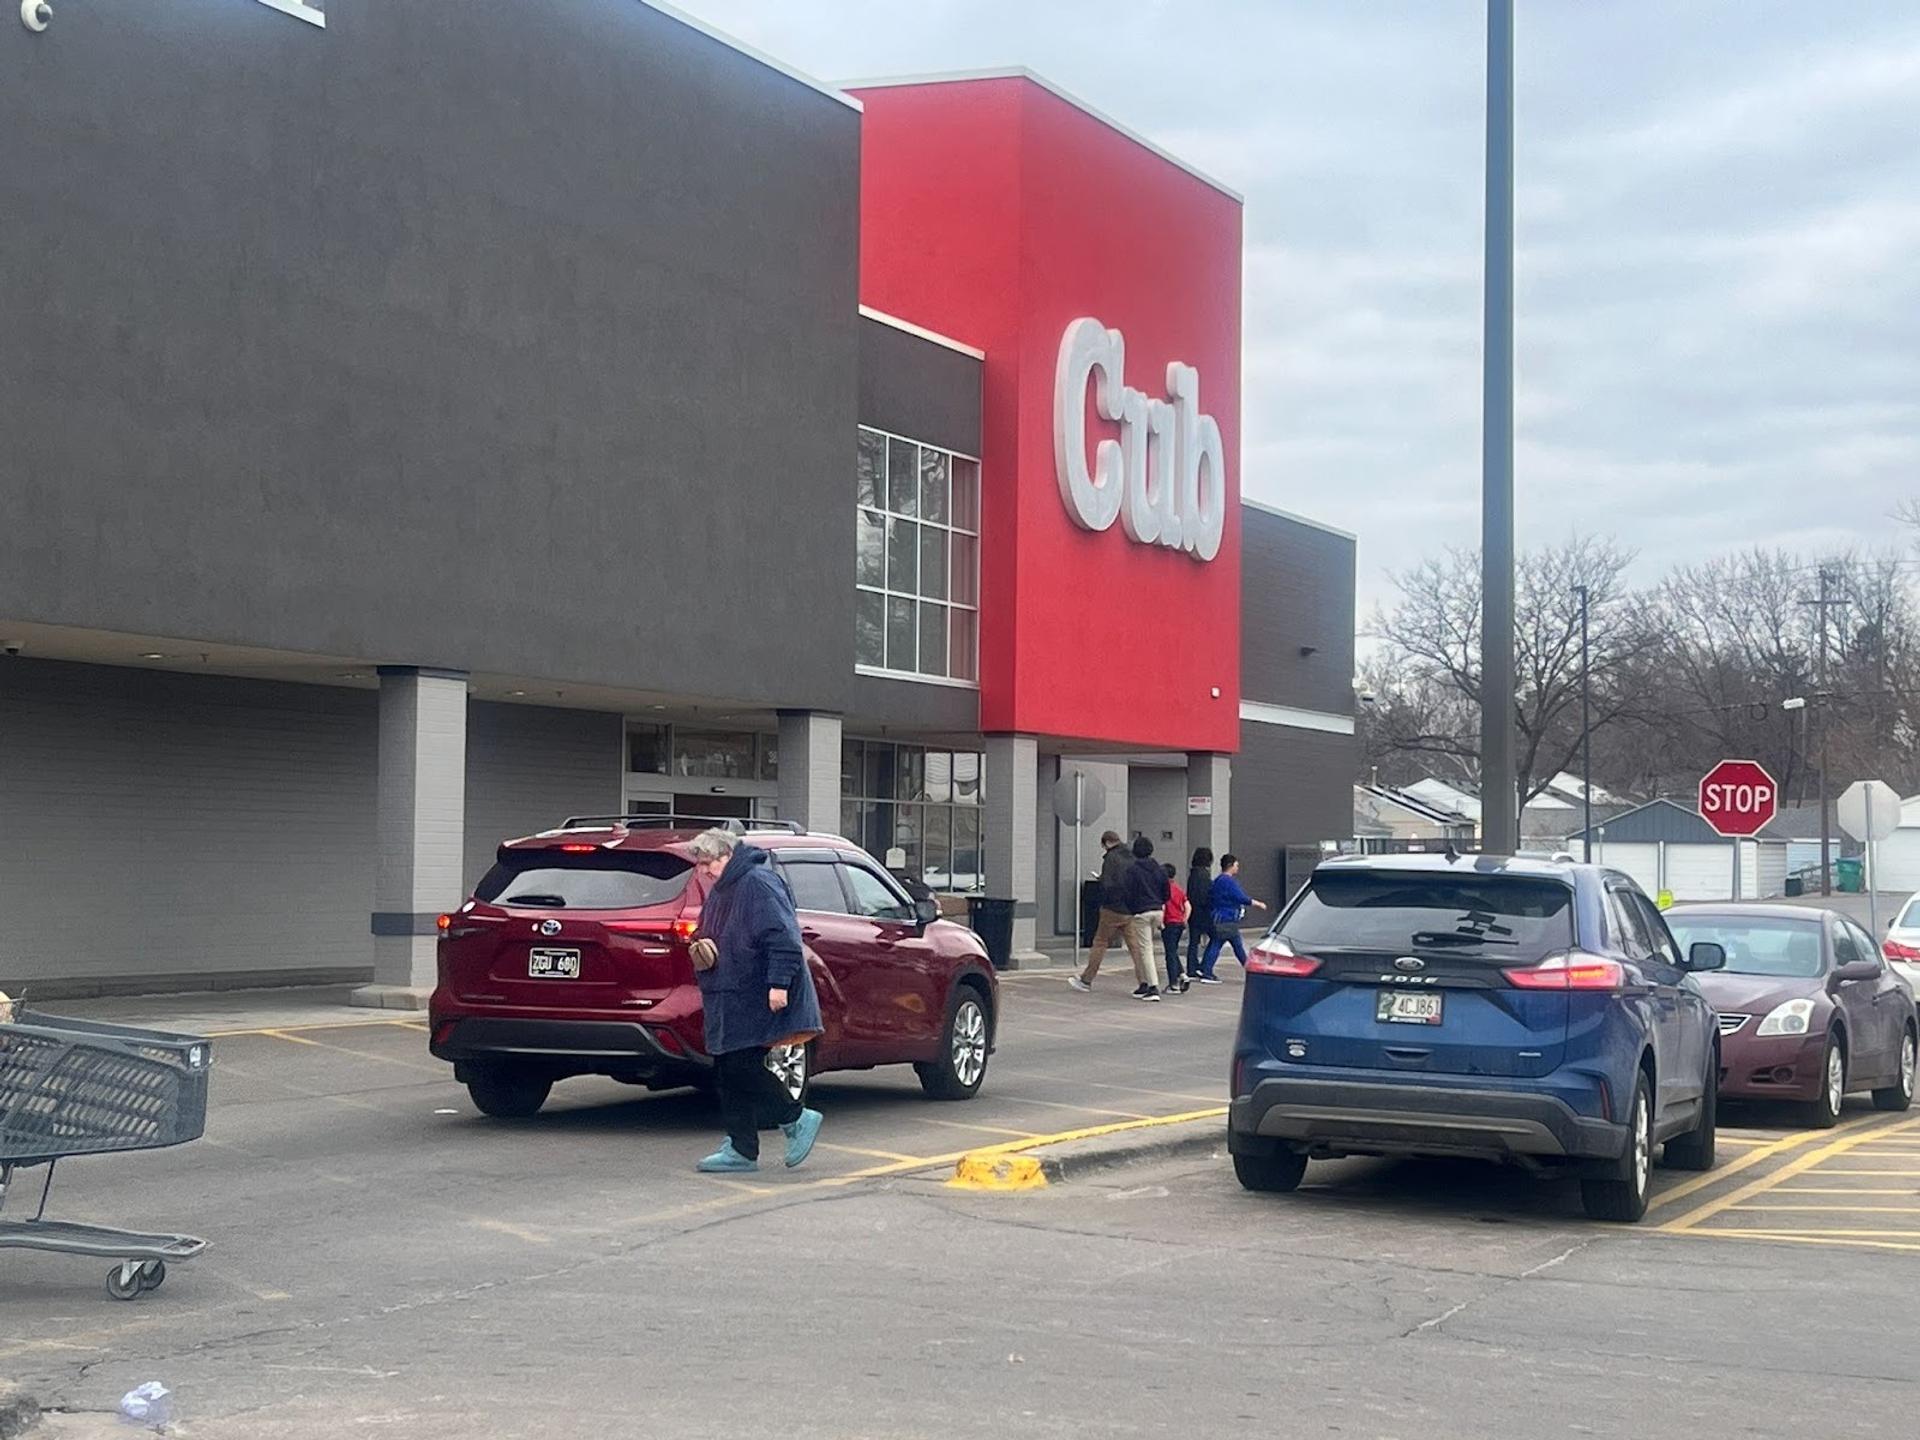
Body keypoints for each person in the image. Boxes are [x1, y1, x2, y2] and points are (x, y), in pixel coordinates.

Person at [686, 828, 824, 1174]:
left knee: (739, 1066)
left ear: (727, 855)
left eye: (707, 863)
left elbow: (784, 938)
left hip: (757, 991)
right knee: (728, 1068)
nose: (703, 871)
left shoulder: (758, 884)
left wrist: (778, 985)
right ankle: (741, 1148)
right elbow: (710, 930)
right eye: (700, 864)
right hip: (730, 992)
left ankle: (796, 1119)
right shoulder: (723, 889)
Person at [1071, 830, 1152, 993]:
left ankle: (1086, 979)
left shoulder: (1111, 858)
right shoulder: (1131, 856)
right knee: (1135, 947)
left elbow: (1108, 884)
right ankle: (1144, 981)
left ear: (1106, 842)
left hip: (1112, 908)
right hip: (1130, 909)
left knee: (1100, 943)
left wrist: (1101, 886)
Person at [1199, 852, 1268, 983]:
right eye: (1236, 865)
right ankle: (1250, 970)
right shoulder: (1228, 882)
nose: (1238, 868)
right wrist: (1258, 903)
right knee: (1235, 945)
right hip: (1227, 918)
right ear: (1230, 865)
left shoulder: (1218, 880)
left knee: (1217, 943)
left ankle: (1206, 970)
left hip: (1218, 918)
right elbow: (1240, 897)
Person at [1119, 836, 1169, 1001]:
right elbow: (1166, 892)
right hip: (1158, 911)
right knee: (1146, 948)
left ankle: (1152, 986)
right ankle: (1145, 984)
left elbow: (1127, 892)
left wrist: (1132, 909)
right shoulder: (1160, 870)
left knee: (1145, 950)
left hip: (1141, 912)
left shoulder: (1132, 870)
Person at [1185, 847, 1216, 979]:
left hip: (1194, 913)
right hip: (1203, 913)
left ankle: (1192, 967)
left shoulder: (1193, 874)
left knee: (1193, 941)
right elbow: (1205, 895)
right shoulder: (1203, 875)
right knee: (1215, 937)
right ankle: (1203, 966)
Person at [1161, 863, 1190, 996]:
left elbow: (1163, 907)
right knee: (1173, 950)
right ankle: (1182, 975)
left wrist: (1160, 922)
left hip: (1169, 923)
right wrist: (1184, 919)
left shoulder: (1164, 890)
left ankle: (1174, 984)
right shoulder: (1178, 889)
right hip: (1179, 923)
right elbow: (1188, 906)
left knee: (1170, 954)